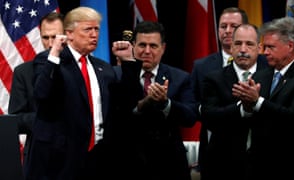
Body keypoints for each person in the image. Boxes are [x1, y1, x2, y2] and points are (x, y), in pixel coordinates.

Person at [25, 7, 136, 180]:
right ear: (69, 34)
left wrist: (128, 61)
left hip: (98, 159)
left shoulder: (103, 68)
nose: (94, 34)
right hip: (61, 162)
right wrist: (54, 53)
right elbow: (42, 94)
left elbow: (126, 104)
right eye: (87, 29)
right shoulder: (49, 61)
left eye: (96, 29)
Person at [110, 21, 197, 180]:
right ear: (133, 46)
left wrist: (166, 104)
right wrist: (142, 105)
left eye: (153, 46)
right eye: (142, 45)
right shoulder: (115, 75)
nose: (147, 51)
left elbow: (190, 116)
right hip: (126, 162)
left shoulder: (180, 78)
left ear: (163, 48)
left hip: (168, 164)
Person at [232, 17, 294, 180]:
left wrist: (258, 102)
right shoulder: (262, 74)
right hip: (258, 166)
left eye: (270, 47)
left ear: (290, 46)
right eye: (264, 46)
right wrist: (247, 106)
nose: (264, 52)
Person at [200, 24, 268, 180]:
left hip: (264, 164)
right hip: (223, 165)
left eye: (249, 44)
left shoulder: (271, 78)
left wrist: (257, 102)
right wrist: (242, 108)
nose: (243, 49)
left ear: (259, 48)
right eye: (238, 44)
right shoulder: (213, 79)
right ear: (230, 47)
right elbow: (209, 116)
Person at [190, 7, 249, 174]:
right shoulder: (201, 66)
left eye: (234, 26)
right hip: (213, 151)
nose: (228, 31)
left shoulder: (263, 64)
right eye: (223, 26)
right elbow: (193, 104)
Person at [8, 12, 64, 174]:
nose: (51, 43)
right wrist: (48, 119)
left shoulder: (81, 68)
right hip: (40, 159)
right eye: (45, 38)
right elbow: (16, 120)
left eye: (55, 37)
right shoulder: (23, 72)